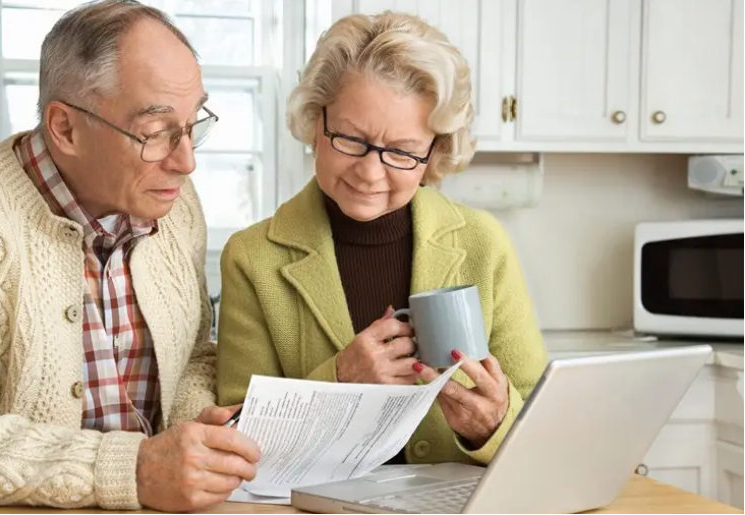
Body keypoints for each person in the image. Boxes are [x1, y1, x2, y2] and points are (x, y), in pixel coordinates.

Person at [0, 1, 258, 512]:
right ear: (65, 128)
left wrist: (196, 425)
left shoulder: (176, 209)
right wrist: (131, 469)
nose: (187, 161)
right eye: (156, 133)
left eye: (193, 122)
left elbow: (193, 353)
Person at [216, 11, 549, 467]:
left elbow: (541, 424)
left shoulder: (482, 243)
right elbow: (235, 436)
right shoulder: (252, 258)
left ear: (435, 152)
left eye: (401, 152)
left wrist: (492, 426)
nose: (370, 173)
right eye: (351, 139)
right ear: (316, 120)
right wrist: (339, 381)